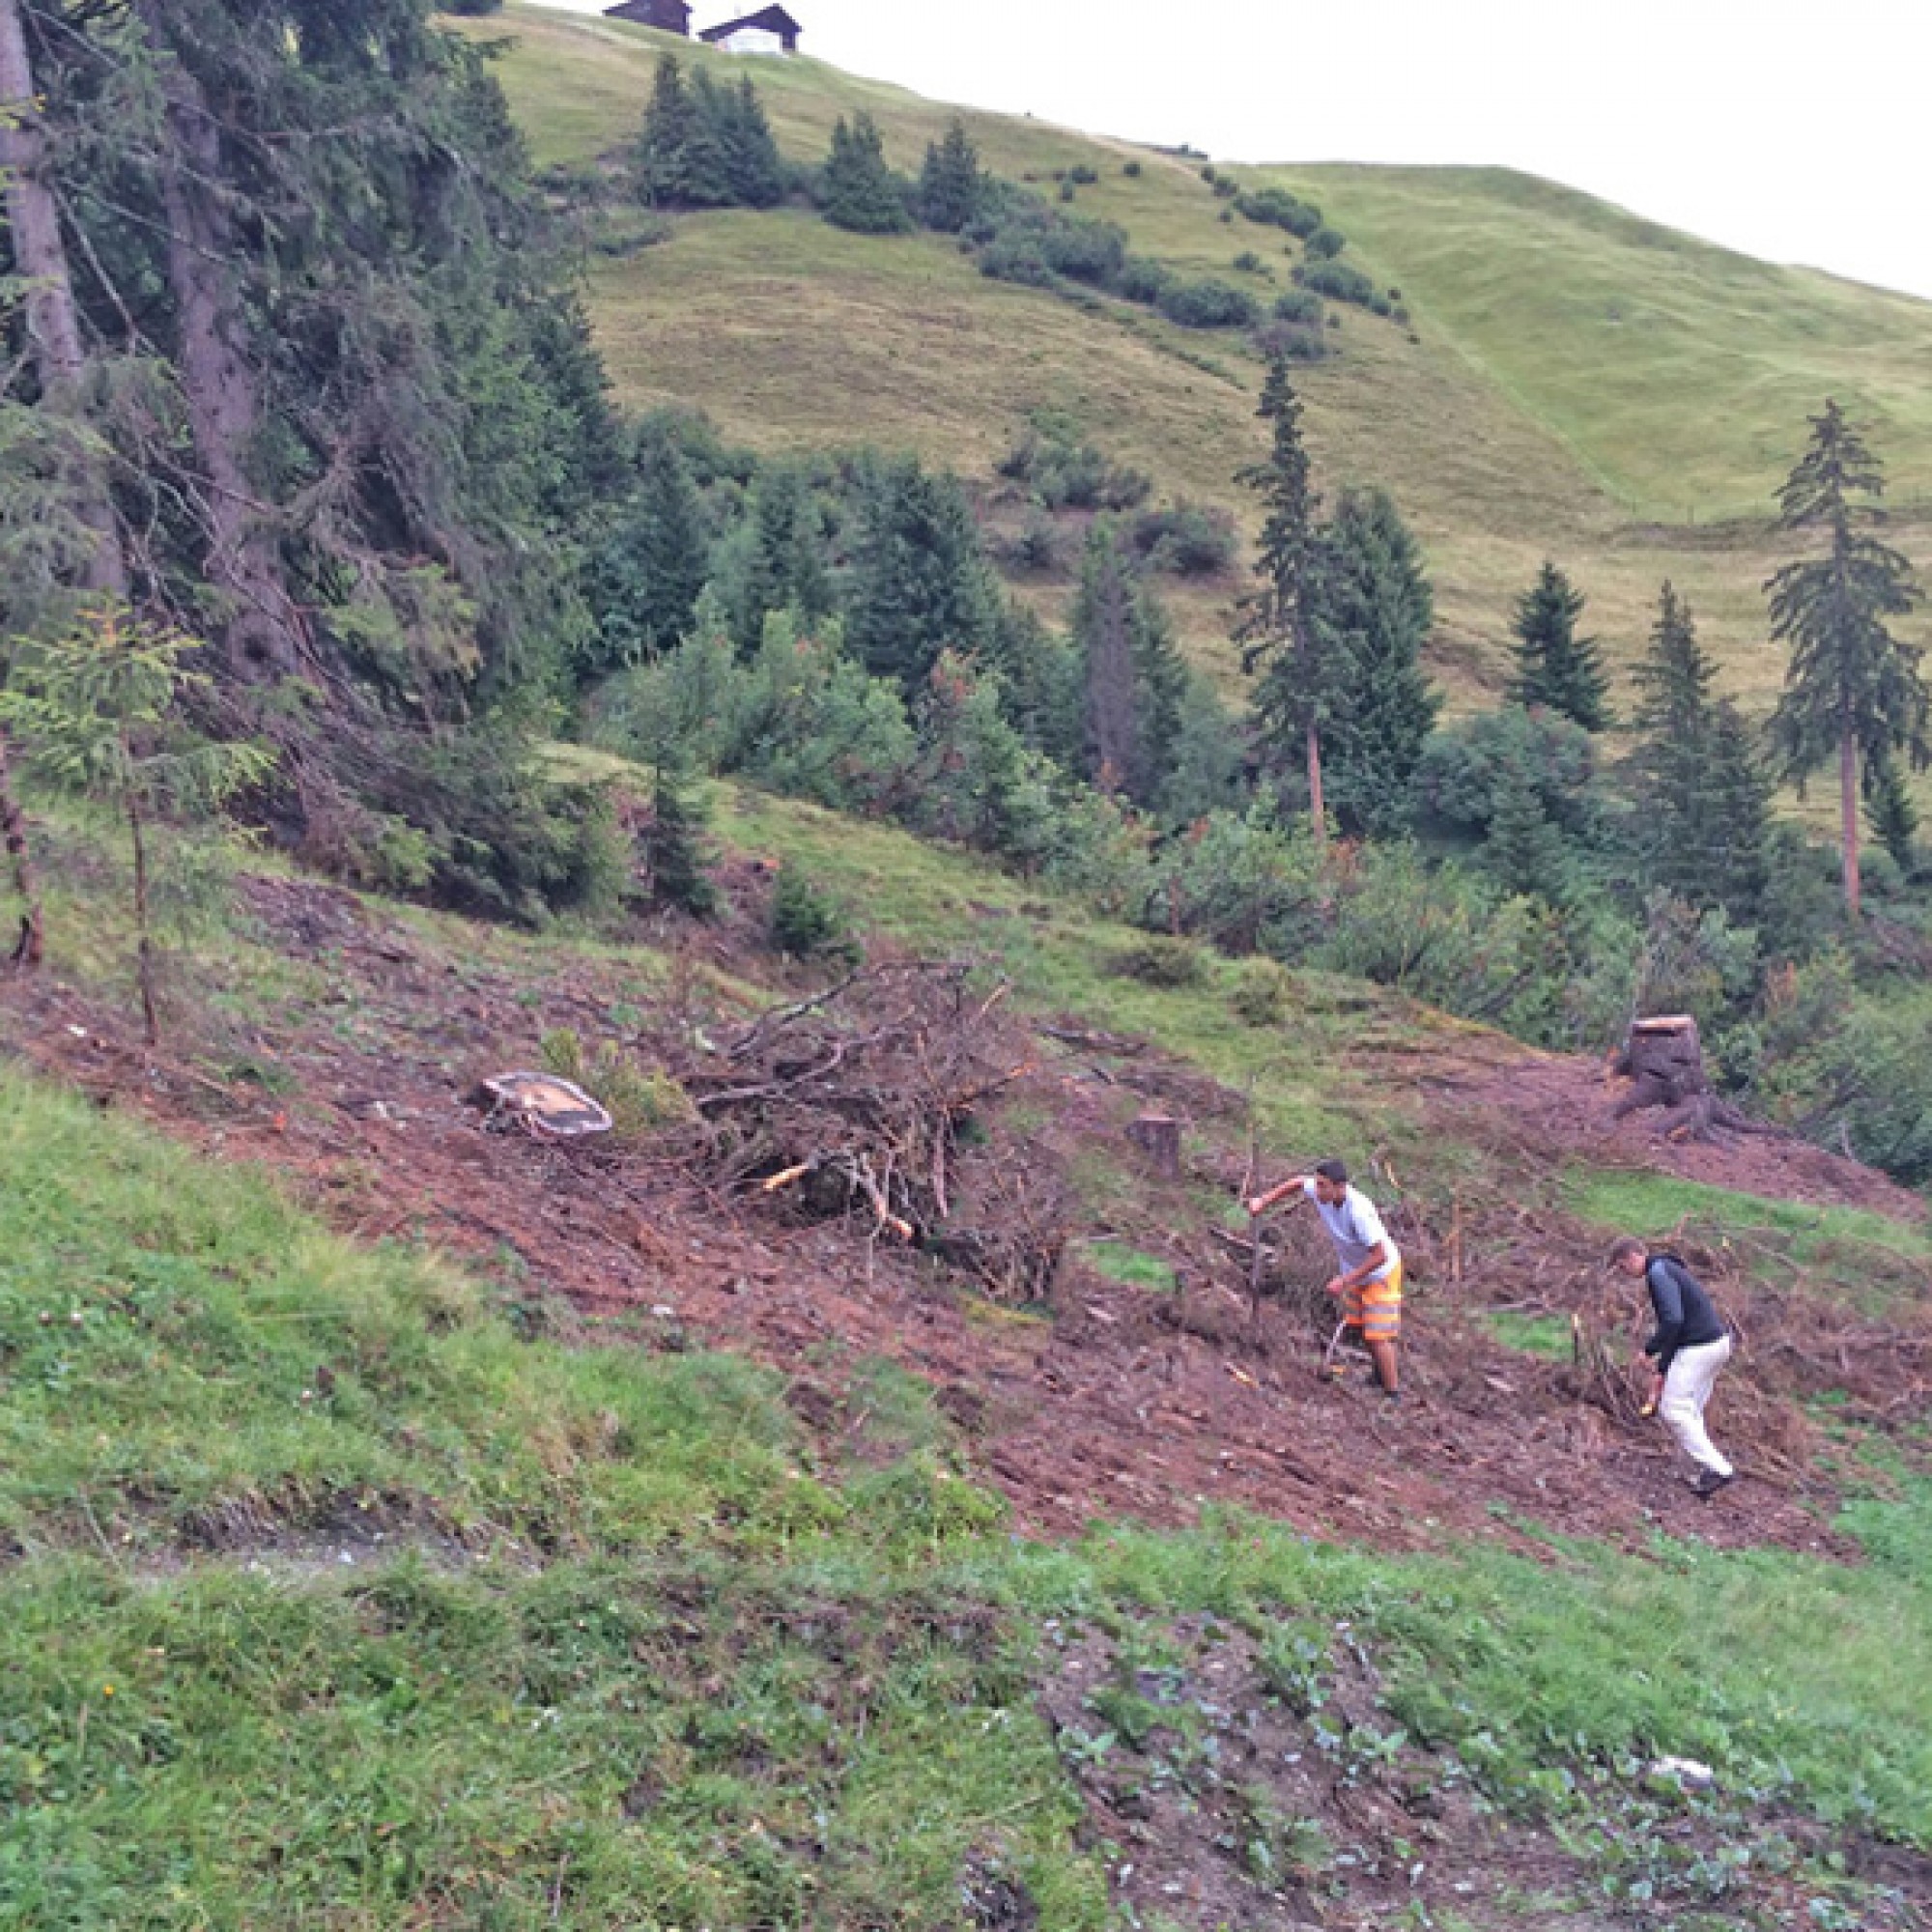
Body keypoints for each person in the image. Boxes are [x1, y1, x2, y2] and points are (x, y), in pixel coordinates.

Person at [1247, 1158, 1402, 1399]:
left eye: (1323, 1185)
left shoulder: (1359, 1211)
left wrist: (1345, 1280)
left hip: (1381, 1273)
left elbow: (1380, 1255)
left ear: (1340, 1187)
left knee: (1379, 1335)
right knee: (1363, 1328)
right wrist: (1264, 1201)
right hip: (1355, 1272)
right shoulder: (1322, 1193)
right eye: (1317, 1184)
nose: (1317, 1190)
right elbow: (1297, 1183)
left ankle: (1393, 1394)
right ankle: (1378, 1376)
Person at [1610, 1236, 1735, 1496]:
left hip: (1699, 1347)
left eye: (1623, 1267)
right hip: (1718, 1344)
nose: (1625, 1273)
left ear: (1634, 1257)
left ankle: (1720, 1469)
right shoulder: (1668, 1269)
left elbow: (1673, 1321)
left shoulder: (1658, 1273)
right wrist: (1662, 1370)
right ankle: (1702, 1472)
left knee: (1672, 1408)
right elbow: (1677, 1325)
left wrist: (1649, 1350)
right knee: (1691, 1410)